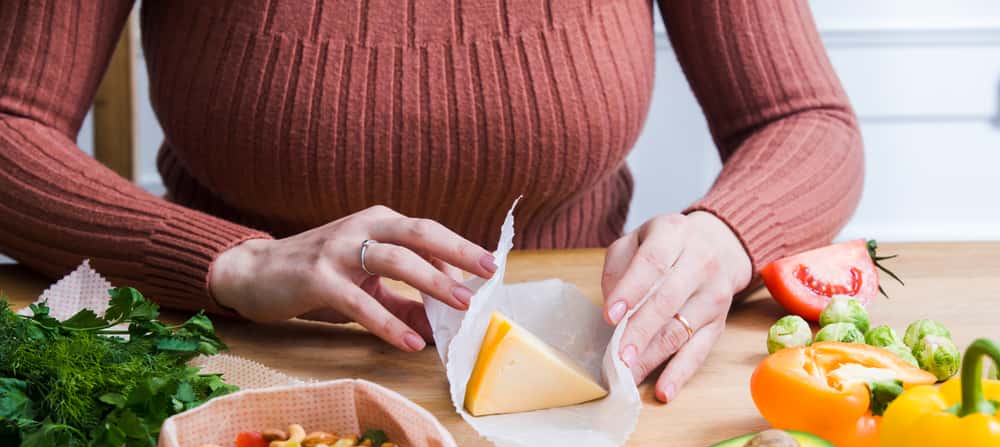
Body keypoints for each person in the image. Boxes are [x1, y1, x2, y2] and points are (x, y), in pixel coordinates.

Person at [0, 1, 862, 403]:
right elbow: (12, 126)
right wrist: (235, 259)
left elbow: (804, 120)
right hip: (232, 378)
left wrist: (723, 237)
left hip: (587, 378)